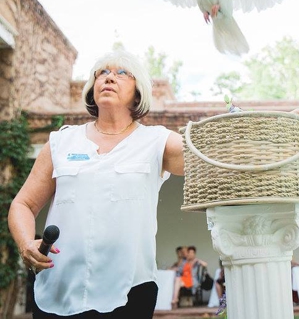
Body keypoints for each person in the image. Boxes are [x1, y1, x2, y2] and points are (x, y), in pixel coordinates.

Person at [8, 50, 185, 319]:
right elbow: (23, 204)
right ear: (92, 89)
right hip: (58, 291)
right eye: (102, 72)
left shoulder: (157, 142)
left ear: (139, 93)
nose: (109, 77)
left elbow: (203, 159)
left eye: (122, 72)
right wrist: (25, 244)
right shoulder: (60, 143)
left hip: (130, 294)